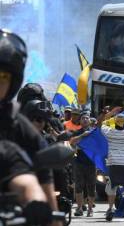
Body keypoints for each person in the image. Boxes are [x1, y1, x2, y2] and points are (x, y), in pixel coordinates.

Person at [0, 29, 60, 225]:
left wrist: (41, 207)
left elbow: (28, 183)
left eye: (2, 77)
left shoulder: (16, 130)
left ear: (13, 81)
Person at [69, 111, 96, 217]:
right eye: (83, 118)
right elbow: (71, 142)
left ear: (90, 120)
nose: (85, 119)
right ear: (80, 121)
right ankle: (79, 208)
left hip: (91, 163)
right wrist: (82, 135)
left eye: (87, 118)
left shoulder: (94, 132)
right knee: (79, 186)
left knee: (91, 186)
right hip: (79, 162)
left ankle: (90, 209)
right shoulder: (77, 132)